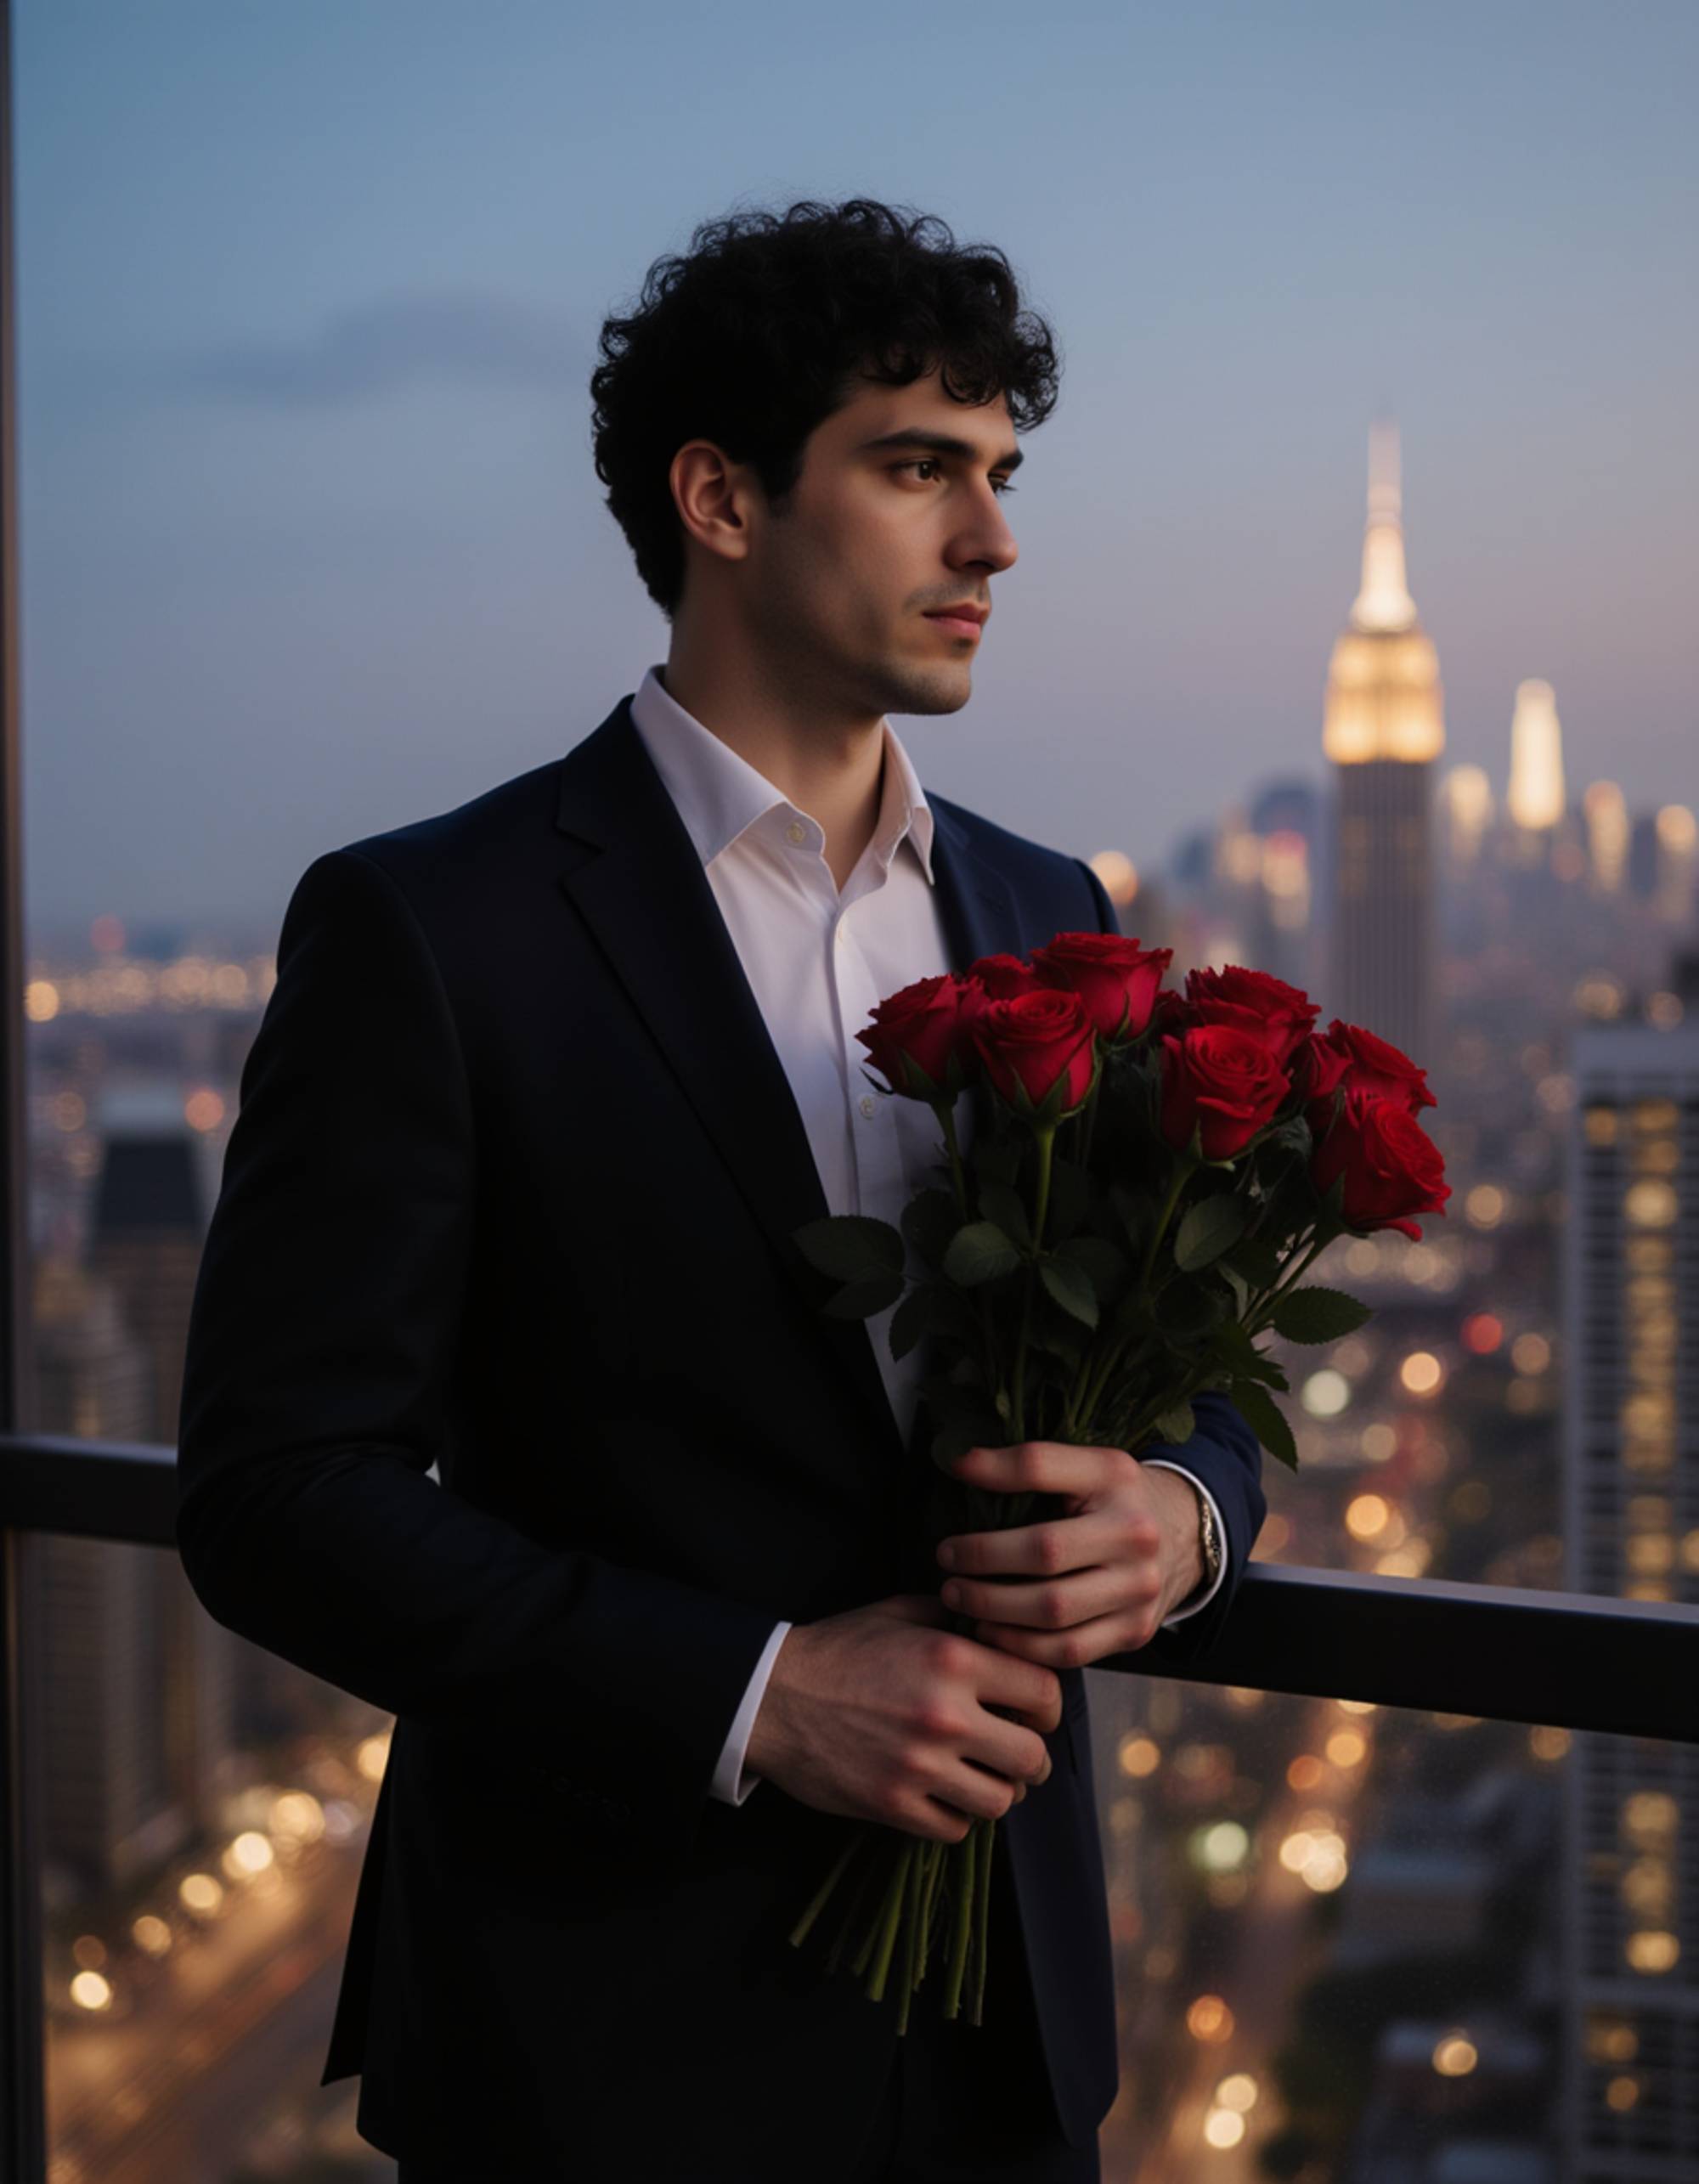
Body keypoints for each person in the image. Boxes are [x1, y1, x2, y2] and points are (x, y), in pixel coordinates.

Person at [174, 196, 1266, 2183]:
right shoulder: (434, 926)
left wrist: (1182, 1514)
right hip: (602, 2046)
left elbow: (1159, 1357)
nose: (993, 540)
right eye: (918, 465)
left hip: (1006, 2044)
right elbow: (273, 1489)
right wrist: (757, 1695)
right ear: (722, 497)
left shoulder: (1051, 912)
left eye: (1000, 475)